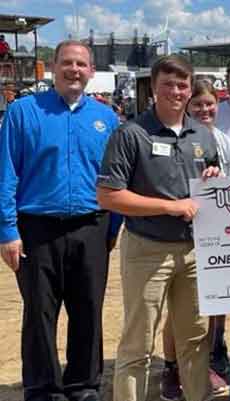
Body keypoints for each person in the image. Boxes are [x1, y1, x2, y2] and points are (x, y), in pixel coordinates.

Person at [0, 40, 119, 401]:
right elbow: (6, 174)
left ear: (91, 71)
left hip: (91, 226)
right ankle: (42, 388)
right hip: (36, 228)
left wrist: (112, 230)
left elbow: (115, 178)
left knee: (88, 310)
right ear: (53, 67)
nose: (74, 70)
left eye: (81, 64)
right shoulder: (22, 112)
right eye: (67, 62)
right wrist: (7, 230)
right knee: (39, 313)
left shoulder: (107, 119)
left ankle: (84, 384)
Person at [97, 55, 220, 401]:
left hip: (194, 251)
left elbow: (211, 184)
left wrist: (214, 179)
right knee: (138, 343)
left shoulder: (203, 134)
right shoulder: (130, 134)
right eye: (168, 83)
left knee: (195, 340)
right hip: (146, 249)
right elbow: (108, 196)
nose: (176, 91)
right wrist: (170, 206)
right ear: (153, 87)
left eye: (182, 84)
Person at [158, 78, 230, 400]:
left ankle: (206, 362)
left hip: (216, 232)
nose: (204, 110)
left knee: (213, 304)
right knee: (177, 310)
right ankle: (171, 367)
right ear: (187, 106)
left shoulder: (223, 142)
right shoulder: (178, 138)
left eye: (209, 104)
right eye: (198, 105)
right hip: (181, 234)